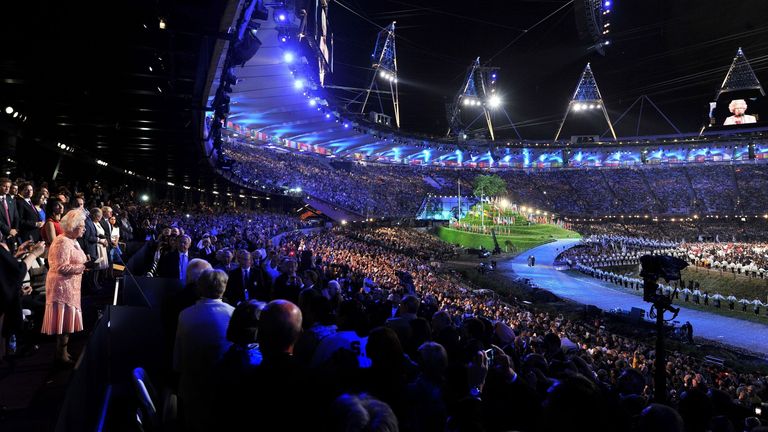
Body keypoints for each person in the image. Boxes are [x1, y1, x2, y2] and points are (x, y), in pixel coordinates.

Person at [41, 210, 94, 364]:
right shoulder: (62, 241)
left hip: (71, 286)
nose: (84, 229)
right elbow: (61, 267)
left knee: (66, 323)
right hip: (61, 288)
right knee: (63, 323)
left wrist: (86, 263)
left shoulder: (73, 240)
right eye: (82, 226)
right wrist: (83, 266)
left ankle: (63, 352)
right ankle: (61, 355)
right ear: (73, 226)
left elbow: (76, 261)